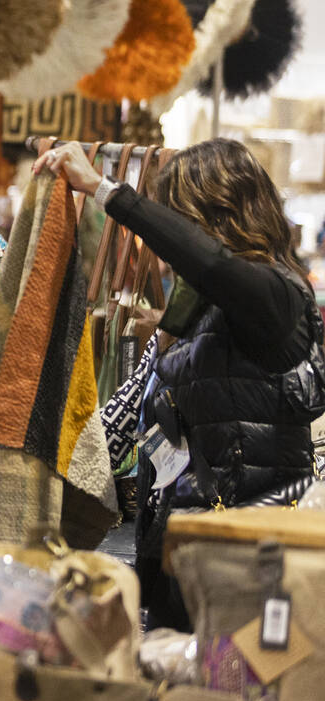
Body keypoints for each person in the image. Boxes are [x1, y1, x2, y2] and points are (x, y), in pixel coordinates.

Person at [36, 138, 325, 628]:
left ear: (218, 215)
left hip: (249, 558)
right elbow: (126, 414)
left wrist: (107, 191)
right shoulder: (186, 313)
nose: (164, 247)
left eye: (180, 219)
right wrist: (42, 478)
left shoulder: (278, 299)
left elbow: (213, 264)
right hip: (182, 546)